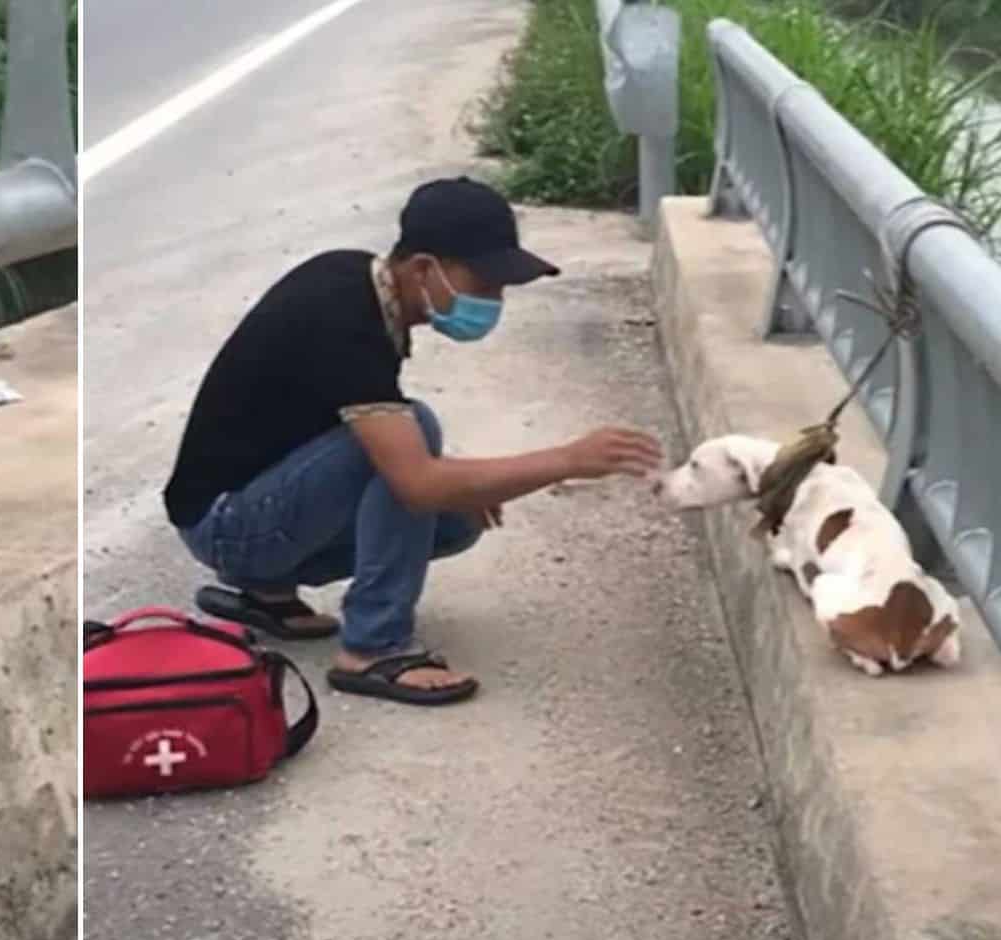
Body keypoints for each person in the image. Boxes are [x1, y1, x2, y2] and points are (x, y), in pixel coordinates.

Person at [161, 177, 664, 705]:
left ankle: (267, 593)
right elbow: (417, 482)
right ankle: (373, 648)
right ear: (424, 268)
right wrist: (567, 460)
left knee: (454, 522)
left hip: (243, 510)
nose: (492, 301)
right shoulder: (343, 318)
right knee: (419, 438)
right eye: (484, 283)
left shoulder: (359, 284)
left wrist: (466, 484)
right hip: (226, 525)